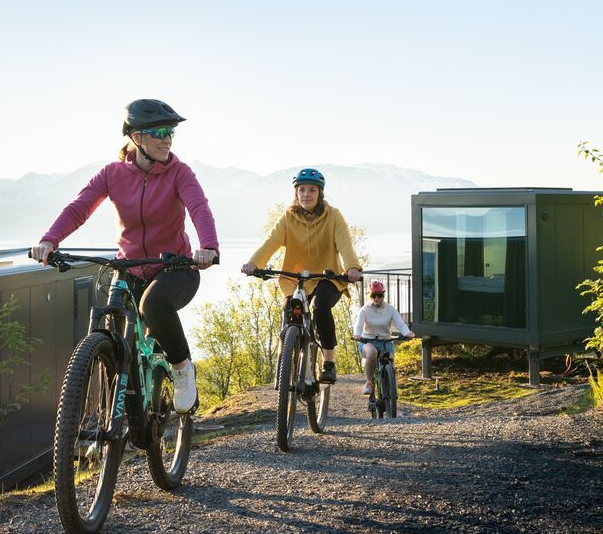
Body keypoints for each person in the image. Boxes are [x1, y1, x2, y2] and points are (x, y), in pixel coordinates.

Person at [31, 99, 219, 411]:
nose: (168, 139)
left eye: (171, 132)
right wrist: (50, 241)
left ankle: (182, 368)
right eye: (159, 132)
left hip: (175, 268)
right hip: (130, 267)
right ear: (136, 137)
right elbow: (79, 208)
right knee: (117, 336)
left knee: (153, 305)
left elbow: (199, 208)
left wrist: (208, 247)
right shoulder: (112, 174)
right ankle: (123, 418)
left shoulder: (180, 173)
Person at [240, 168, 362, 384]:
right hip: (295, 278)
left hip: (327, 277)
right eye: (302, 190)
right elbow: (271, 242)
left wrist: (352, 267)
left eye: (312, 190)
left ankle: (328, 363)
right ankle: (288, 357)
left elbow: (345, 245)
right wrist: (254, 263)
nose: (306, 194)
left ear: (320, 193)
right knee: (289, 308)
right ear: (296, 193)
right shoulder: (288, 217)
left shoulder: (333, 216)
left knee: (320, 307)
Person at [354, 279, 412, 395]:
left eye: (379, 295)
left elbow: (400, 324)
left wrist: (407, 333)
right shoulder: (364, 310)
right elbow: (359, 325)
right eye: (373, 295)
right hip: (368, 341)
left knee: (391, 366)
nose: (376, 298)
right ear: (369, 295)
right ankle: (369, 382)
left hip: (385, 342)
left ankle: (392, 397)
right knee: (372, 353)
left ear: (383, 295)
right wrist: (357, 335)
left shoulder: (390, 309)